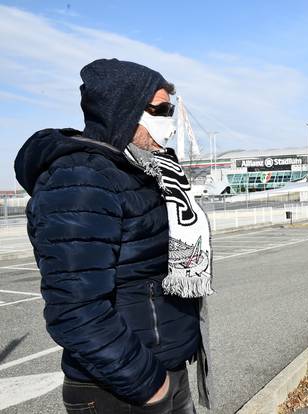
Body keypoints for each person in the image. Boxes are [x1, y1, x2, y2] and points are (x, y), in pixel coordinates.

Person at [14, 58, 215, 413]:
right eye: (162, 109)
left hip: (162, 372)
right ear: (124, 110)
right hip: (122, 389)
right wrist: (149, 384)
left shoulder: (144, 172)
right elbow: (75, 309)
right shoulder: (82, 181)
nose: (169, 122)